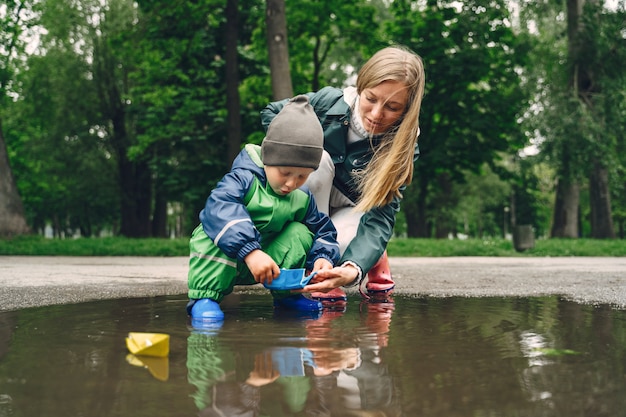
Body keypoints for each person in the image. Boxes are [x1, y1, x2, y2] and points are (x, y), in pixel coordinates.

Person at [260, 45, 425, 304]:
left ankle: (365, 258)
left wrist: (351, 269)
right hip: (314, 197)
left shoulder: (403, 146)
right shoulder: (328, 103)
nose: (376, 114)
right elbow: (271, 113)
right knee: (317, 158)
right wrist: (299, 146)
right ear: (360, 86)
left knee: (343, 250)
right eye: (371, 98)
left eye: (392, 107)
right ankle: (311, 261)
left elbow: (380, 217)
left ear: (407, 108)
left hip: (354, 209)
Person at [187, 95, 341, 325]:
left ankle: (287, 295)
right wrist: (250, 252)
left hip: (268, 266)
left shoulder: (301, 197)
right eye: (285, 172)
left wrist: (323, 258)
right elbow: (220, 207)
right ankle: (205, 299)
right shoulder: (243, 179)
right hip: (230, 259)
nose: (291, 183)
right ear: (268, 158)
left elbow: (322, 229)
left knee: (300, 231)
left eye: (302, 176)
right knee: (215, 230)